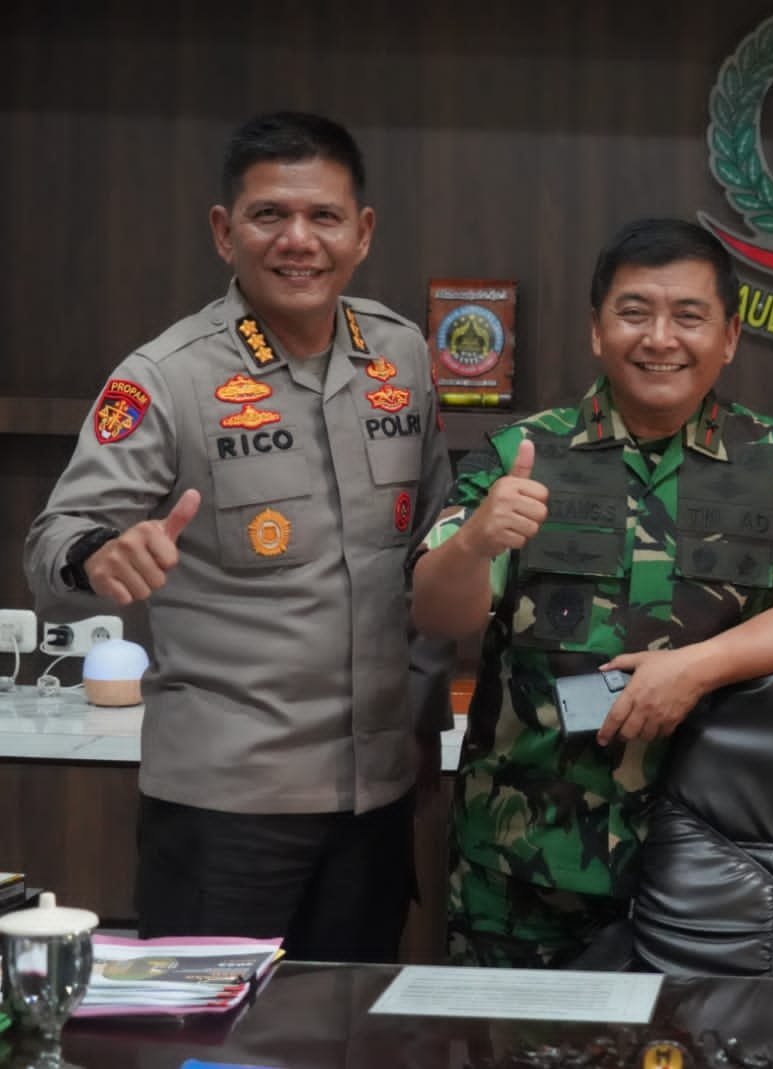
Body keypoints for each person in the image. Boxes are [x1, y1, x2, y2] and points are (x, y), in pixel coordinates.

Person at [24, 111, 453, 962]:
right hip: (224, 812)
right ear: (225, 232)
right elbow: (51, 541)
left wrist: (424, 724)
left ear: (363, 232)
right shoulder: (166, 378)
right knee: (210, 1031)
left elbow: (436, 551)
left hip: (375, 802)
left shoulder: (400, 356)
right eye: (269, 215)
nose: (299, 240)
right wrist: (98, 555)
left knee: (351, 1025)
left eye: (324, 216)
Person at [410, 217, 773, 968]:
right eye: (634, 313)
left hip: (718, 860)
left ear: (729, 337)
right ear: (597, 330)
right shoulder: (523, 453)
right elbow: (435, 610)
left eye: (689, 315)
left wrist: (695, 668)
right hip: (525, 863)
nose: (660, 338)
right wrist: (473, 543)